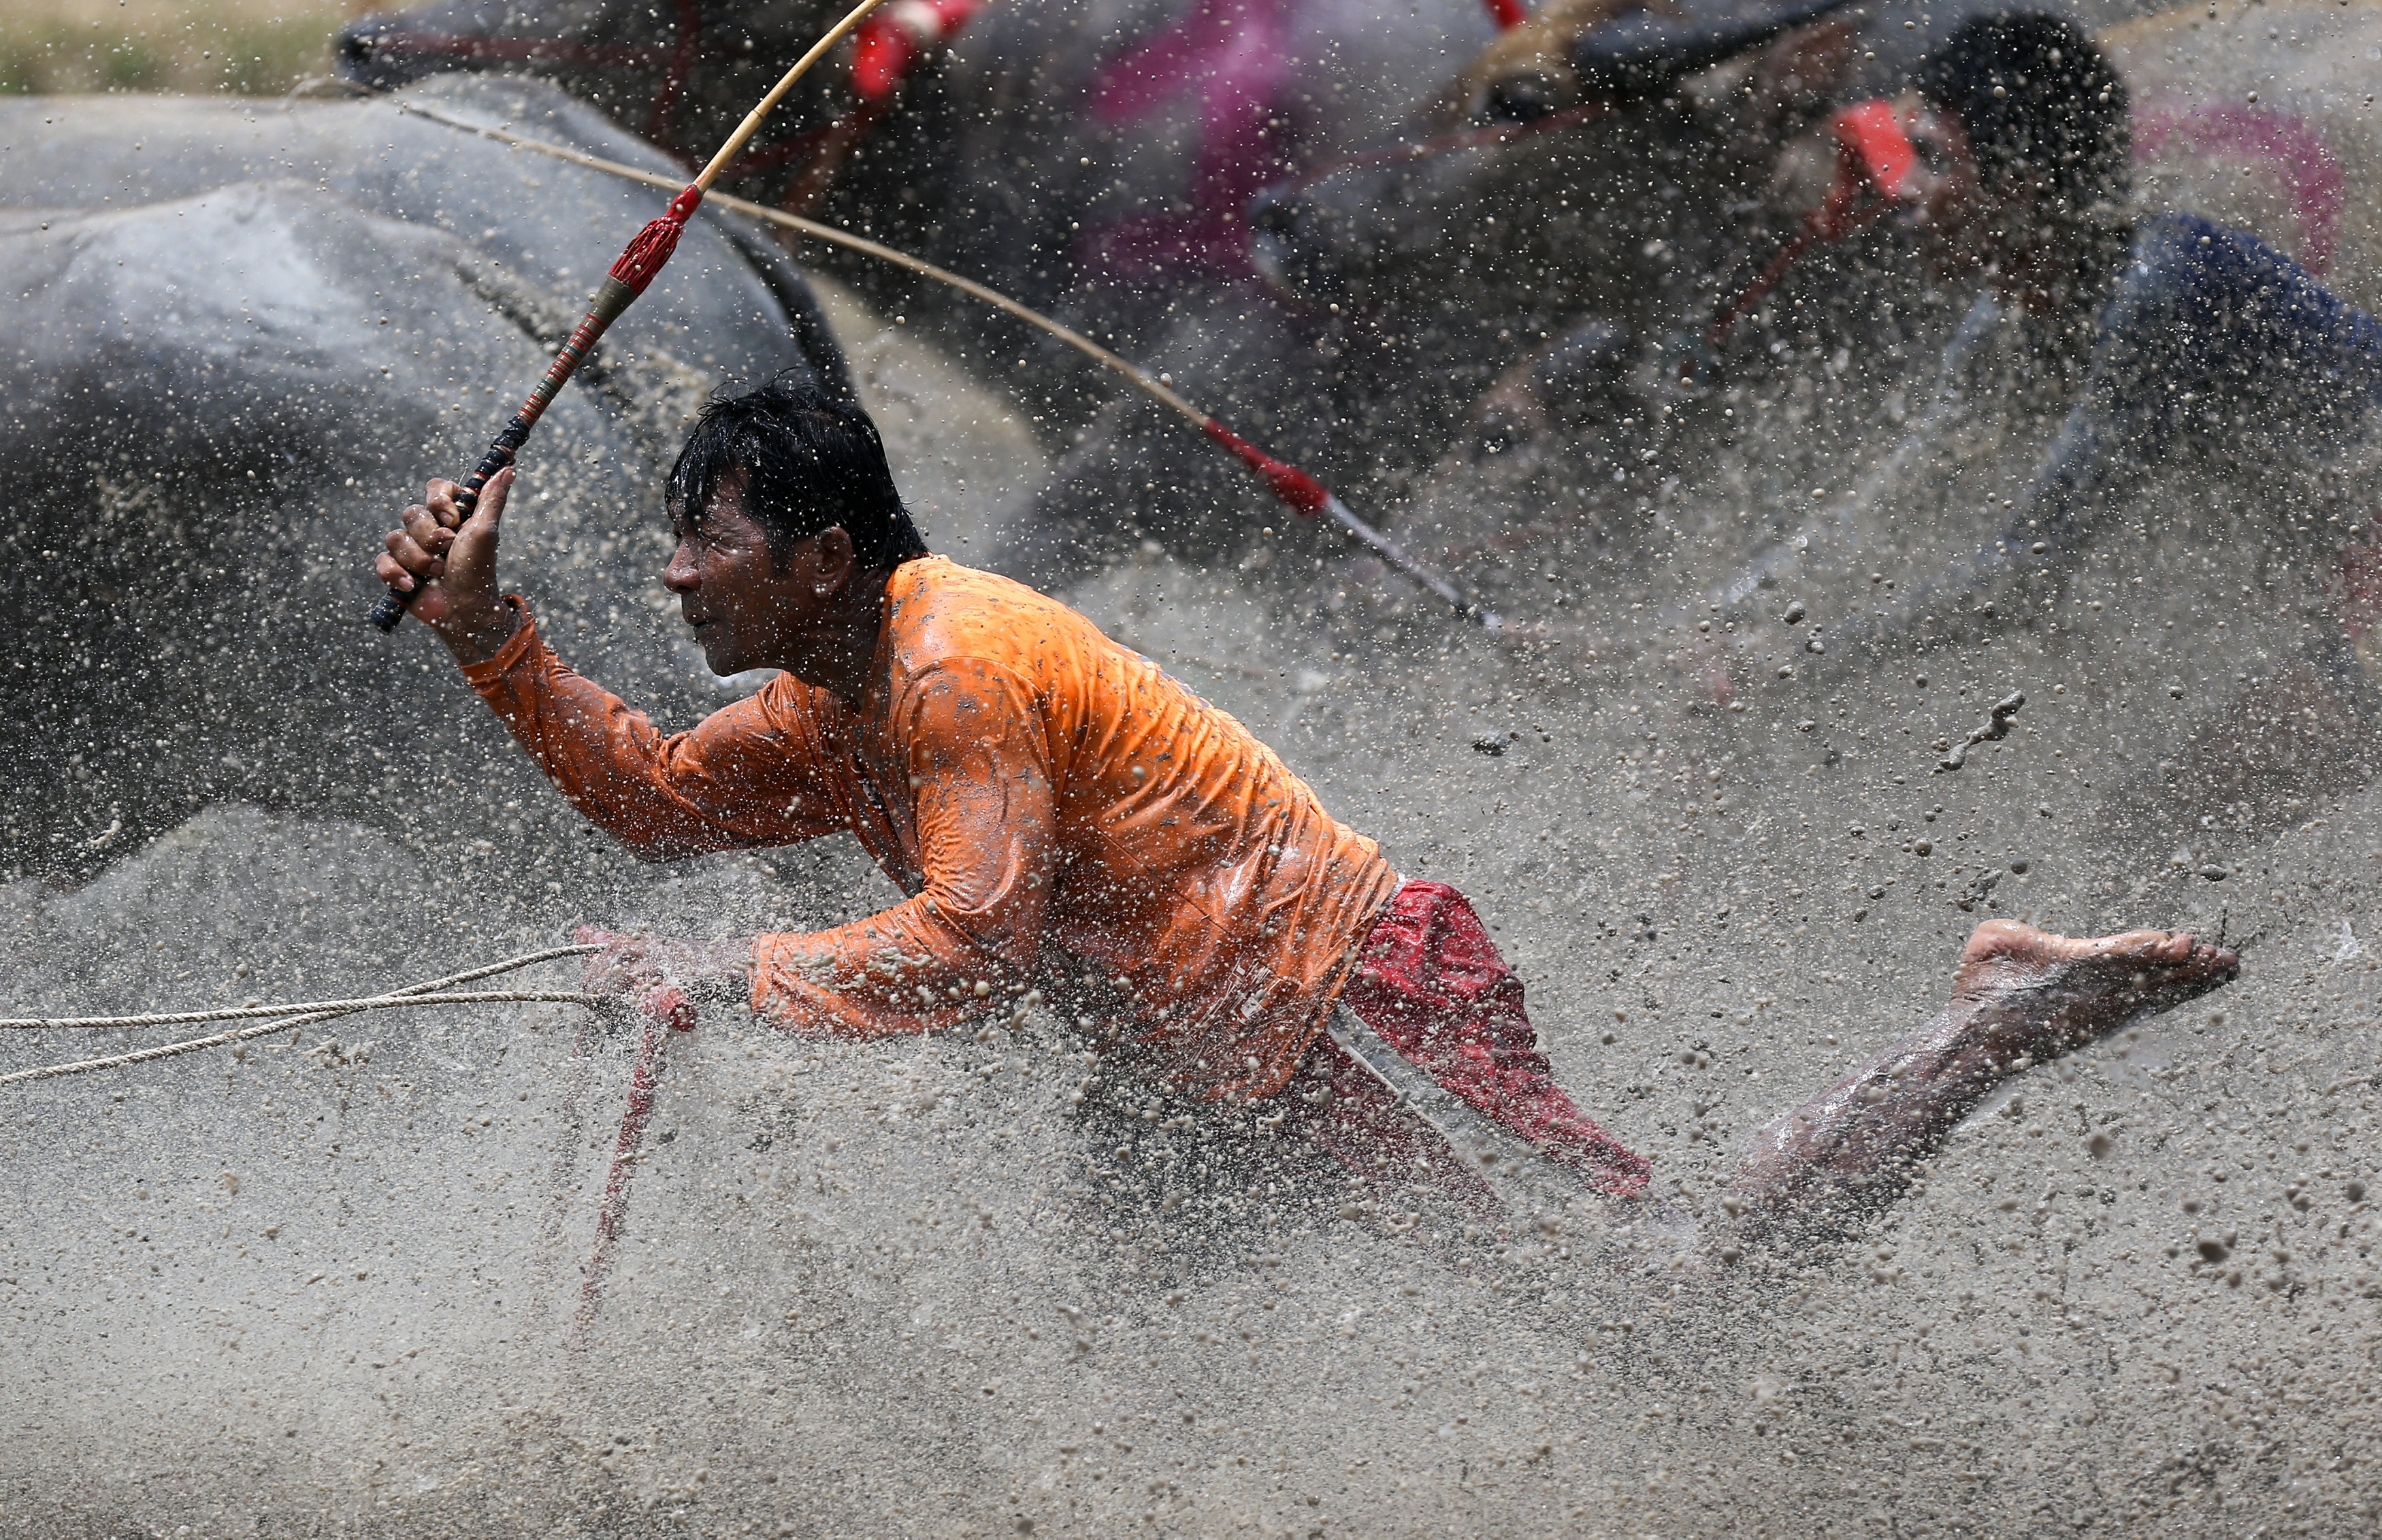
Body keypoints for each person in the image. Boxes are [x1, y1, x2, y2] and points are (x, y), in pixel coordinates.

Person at [374, 374, 2238, 1239]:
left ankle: (1996, 1010)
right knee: (1131, 1351)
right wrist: (485, 632)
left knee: (1671, 1298)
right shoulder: (830, 693)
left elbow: (972, 936)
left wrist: (739, 974)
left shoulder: (949, 670)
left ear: (823, 555)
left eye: (705, 539)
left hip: (1337, 998)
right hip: (1194, 1060)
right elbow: (654, 799)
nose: (674, 573)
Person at [1712, 11, 2382, 642]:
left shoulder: (2158, 291)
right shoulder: (2010, 317)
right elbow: (1897, 499)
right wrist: (1719, 620)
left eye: (1936, 160)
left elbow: (2024, 576)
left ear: (2019, 185)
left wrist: (1796, 661)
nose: (1906, 189)